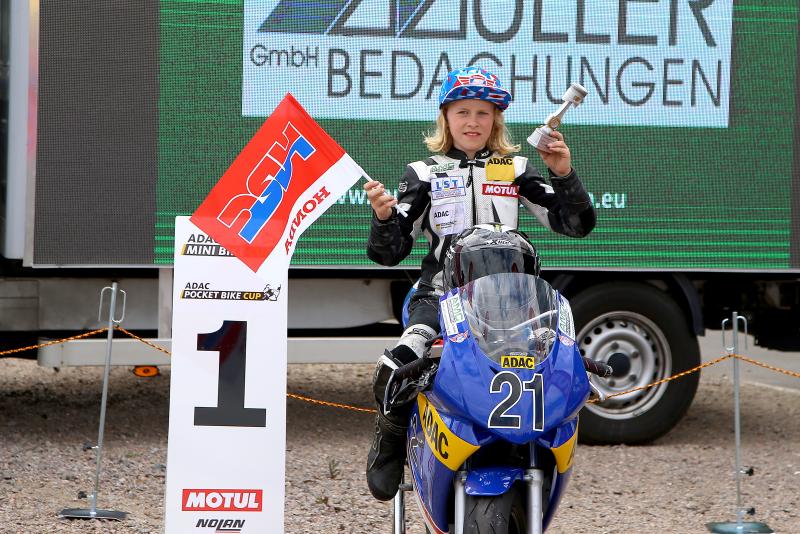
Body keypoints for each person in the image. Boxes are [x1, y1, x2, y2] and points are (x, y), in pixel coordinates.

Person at [363, 66, 596, 501]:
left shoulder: (514, 168)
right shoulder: (424, 172)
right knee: (398, 362)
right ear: (445, 118)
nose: (473, 122)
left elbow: (575, 224)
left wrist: (563, 173)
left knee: (558, 362)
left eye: (483, 113)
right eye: (463, 112)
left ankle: (531, 453)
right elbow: (388, 253)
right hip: (439, 297)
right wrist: (382, 217)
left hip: (511, 303)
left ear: (496, 120)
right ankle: (389, 440)